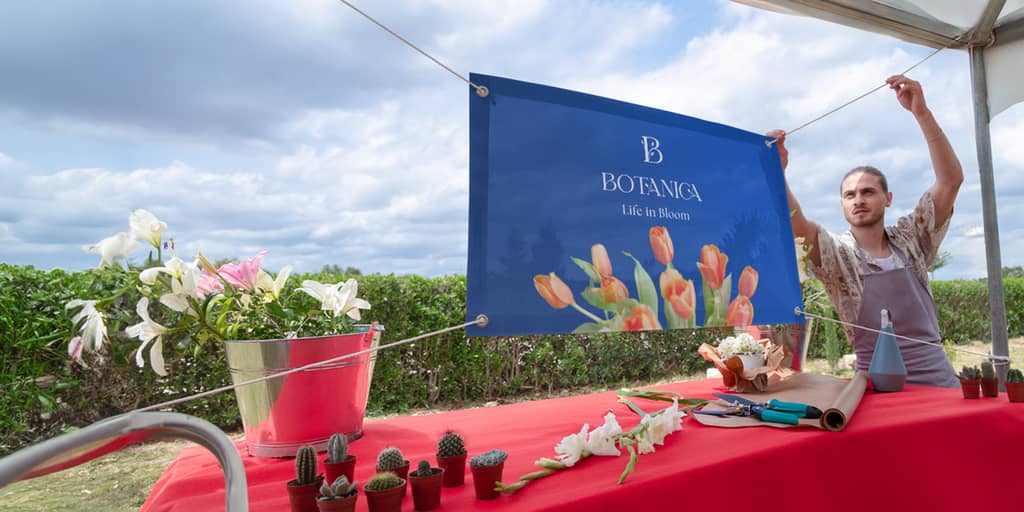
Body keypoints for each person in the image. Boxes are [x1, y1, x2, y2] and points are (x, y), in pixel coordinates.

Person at [770, 75, 964, 388]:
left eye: (868, 192)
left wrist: (922, 114)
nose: (858, 199)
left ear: (888, 199)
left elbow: (951, 181)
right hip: (876, 388)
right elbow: (798, 227)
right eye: (850, 194)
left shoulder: (912, 239)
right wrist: (776, 172)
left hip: (939, 382)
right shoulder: (838, 255)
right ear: (842, 204)